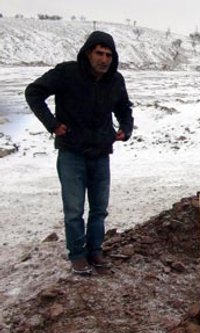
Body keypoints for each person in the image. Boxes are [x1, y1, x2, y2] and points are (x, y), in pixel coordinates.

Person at [25, 31, 133, 275]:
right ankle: (77, 254)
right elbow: (33, 93)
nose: (104, 59)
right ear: (88, 53)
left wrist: (126, 129)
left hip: (100, 153)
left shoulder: (115, 80)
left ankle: (95, 250)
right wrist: (52, 125)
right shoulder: (66, 73)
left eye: (108, 55)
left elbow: (124, 109)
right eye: (99, 53)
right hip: (71, 153)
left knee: (99, 208)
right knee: (74, 209)